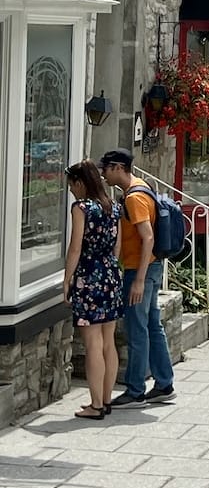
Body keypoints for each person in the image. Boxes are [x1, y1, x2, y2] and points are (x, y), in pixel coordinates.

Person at [98, 149, 175, 406]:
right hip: (152, 267)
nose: (103, 174)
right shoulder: (143, 186)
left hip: (140, 269)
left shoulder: (133, 198)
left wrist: (139, 279)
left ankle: (135, 390)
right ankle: (164, 384)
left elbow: (148, 237)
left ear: (119, 167)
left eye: (106, 168)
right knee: (153, 325)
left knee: (137, 329)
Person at [63, 160, 124, 419]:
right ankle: (107, 399)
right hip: (110, 273)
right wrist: (110, 267)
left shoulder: (81, 208)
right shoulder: (113, 207)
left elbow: (75, 247)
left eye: (72, 186)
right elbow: (117, 246)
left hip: (88, 275)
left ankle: (95, 404)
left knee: (92, 343)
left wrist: (67, 279)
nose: (71, 191)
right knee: (108, 341)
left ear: (80, 183)